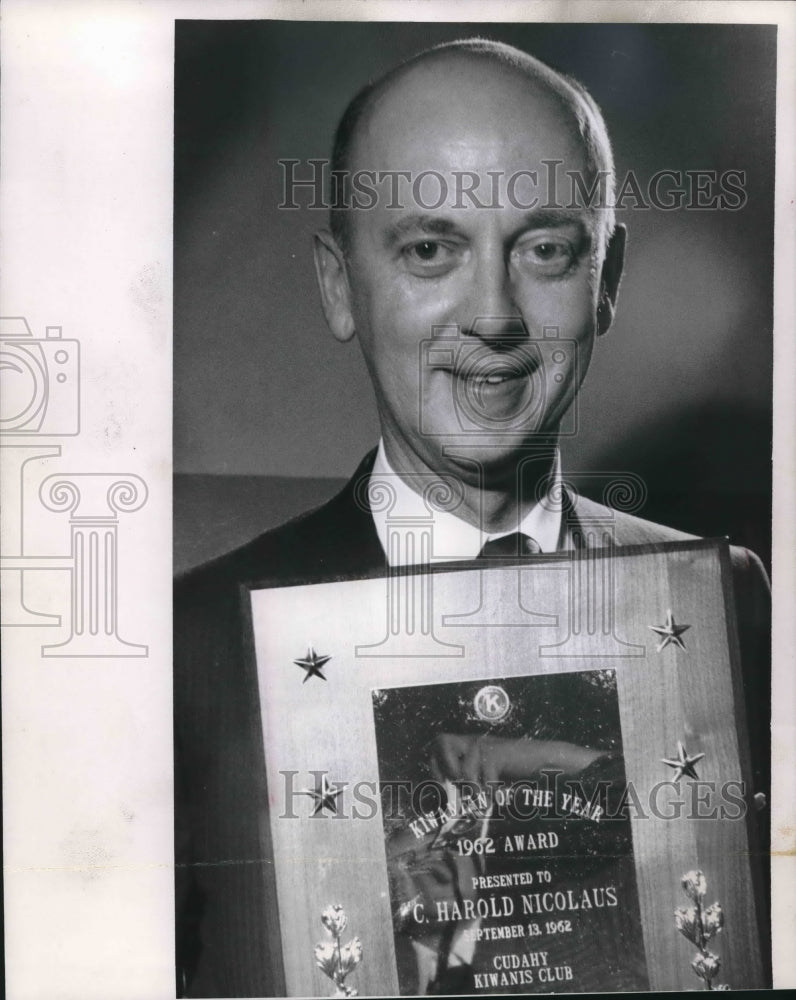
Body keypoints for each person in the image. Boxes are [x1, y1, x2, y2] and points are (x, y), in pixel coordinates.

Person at [174, 39, 770, 997]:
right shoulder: (190, 648)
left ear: (607, 276)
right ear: (339, 286)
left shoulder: (730, 606)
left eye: (545, 249)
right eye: (429, 250)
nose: (492, 314)